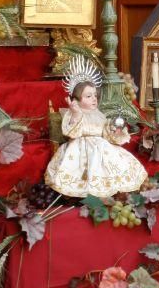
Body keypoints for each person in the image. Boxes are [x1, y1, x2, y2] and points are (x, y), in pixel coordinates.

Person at [45, 56, 147, 197]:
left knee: (116, 162)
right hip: (80, 148)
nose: (94, 99)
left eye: (95, 95)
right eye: (88, 96)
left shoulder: (98, 114)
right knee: (87, 168)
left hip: (103, 147)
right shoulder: (74, 113)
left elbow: (106, 132)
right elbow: (72, 132)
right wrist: (75, 114)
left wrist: (115, 130)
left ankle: (112, 192)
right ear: (76, 99)